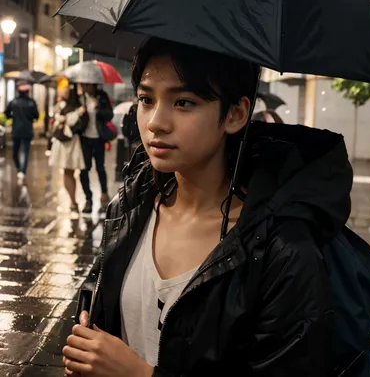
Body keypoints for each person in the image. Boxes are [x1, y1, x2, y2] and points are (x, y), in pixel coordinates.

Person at [63, 37, 352, 376]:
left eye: (184, 102)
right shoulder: (130, 205)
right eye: (145, 99)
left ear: (235, 114)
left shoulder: (281, 250)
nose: (156, 121)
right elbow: (97, 302)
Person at [49, 84, 87, 214]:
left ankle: (73, 201)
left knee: (69, 172)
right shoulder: (65, 106)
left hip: (69, 142)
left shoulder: (72, 106)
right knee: (68, 172)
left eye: (65, 91)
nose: (62, 92)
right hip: (68, 142)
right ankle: (73, 201)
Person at [78, 83, 114, 215]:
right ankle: (88, 199)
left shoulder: (102, 97)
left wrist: (99, 109)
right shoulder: (80, 98)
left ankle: (104, 196)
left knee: (100, 167)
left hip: (98, 138)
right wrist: (80, 113)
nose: (84, 87)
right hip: (84, 139)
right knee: (83, 169)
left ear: (93, 85)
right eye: (83, 85)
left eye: (87, 85)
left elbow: (109, 115)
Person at [5, 83, 39, 182]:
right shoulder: (32, 102)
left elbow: (7, 114)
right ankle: (22, 172)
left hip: (16, 130)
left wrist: (13, 116)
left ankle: (19, 169)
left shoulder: (13, 102)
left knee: (15, 152)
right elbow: (36, 116)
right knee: (25, 152)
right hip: (27, 130)